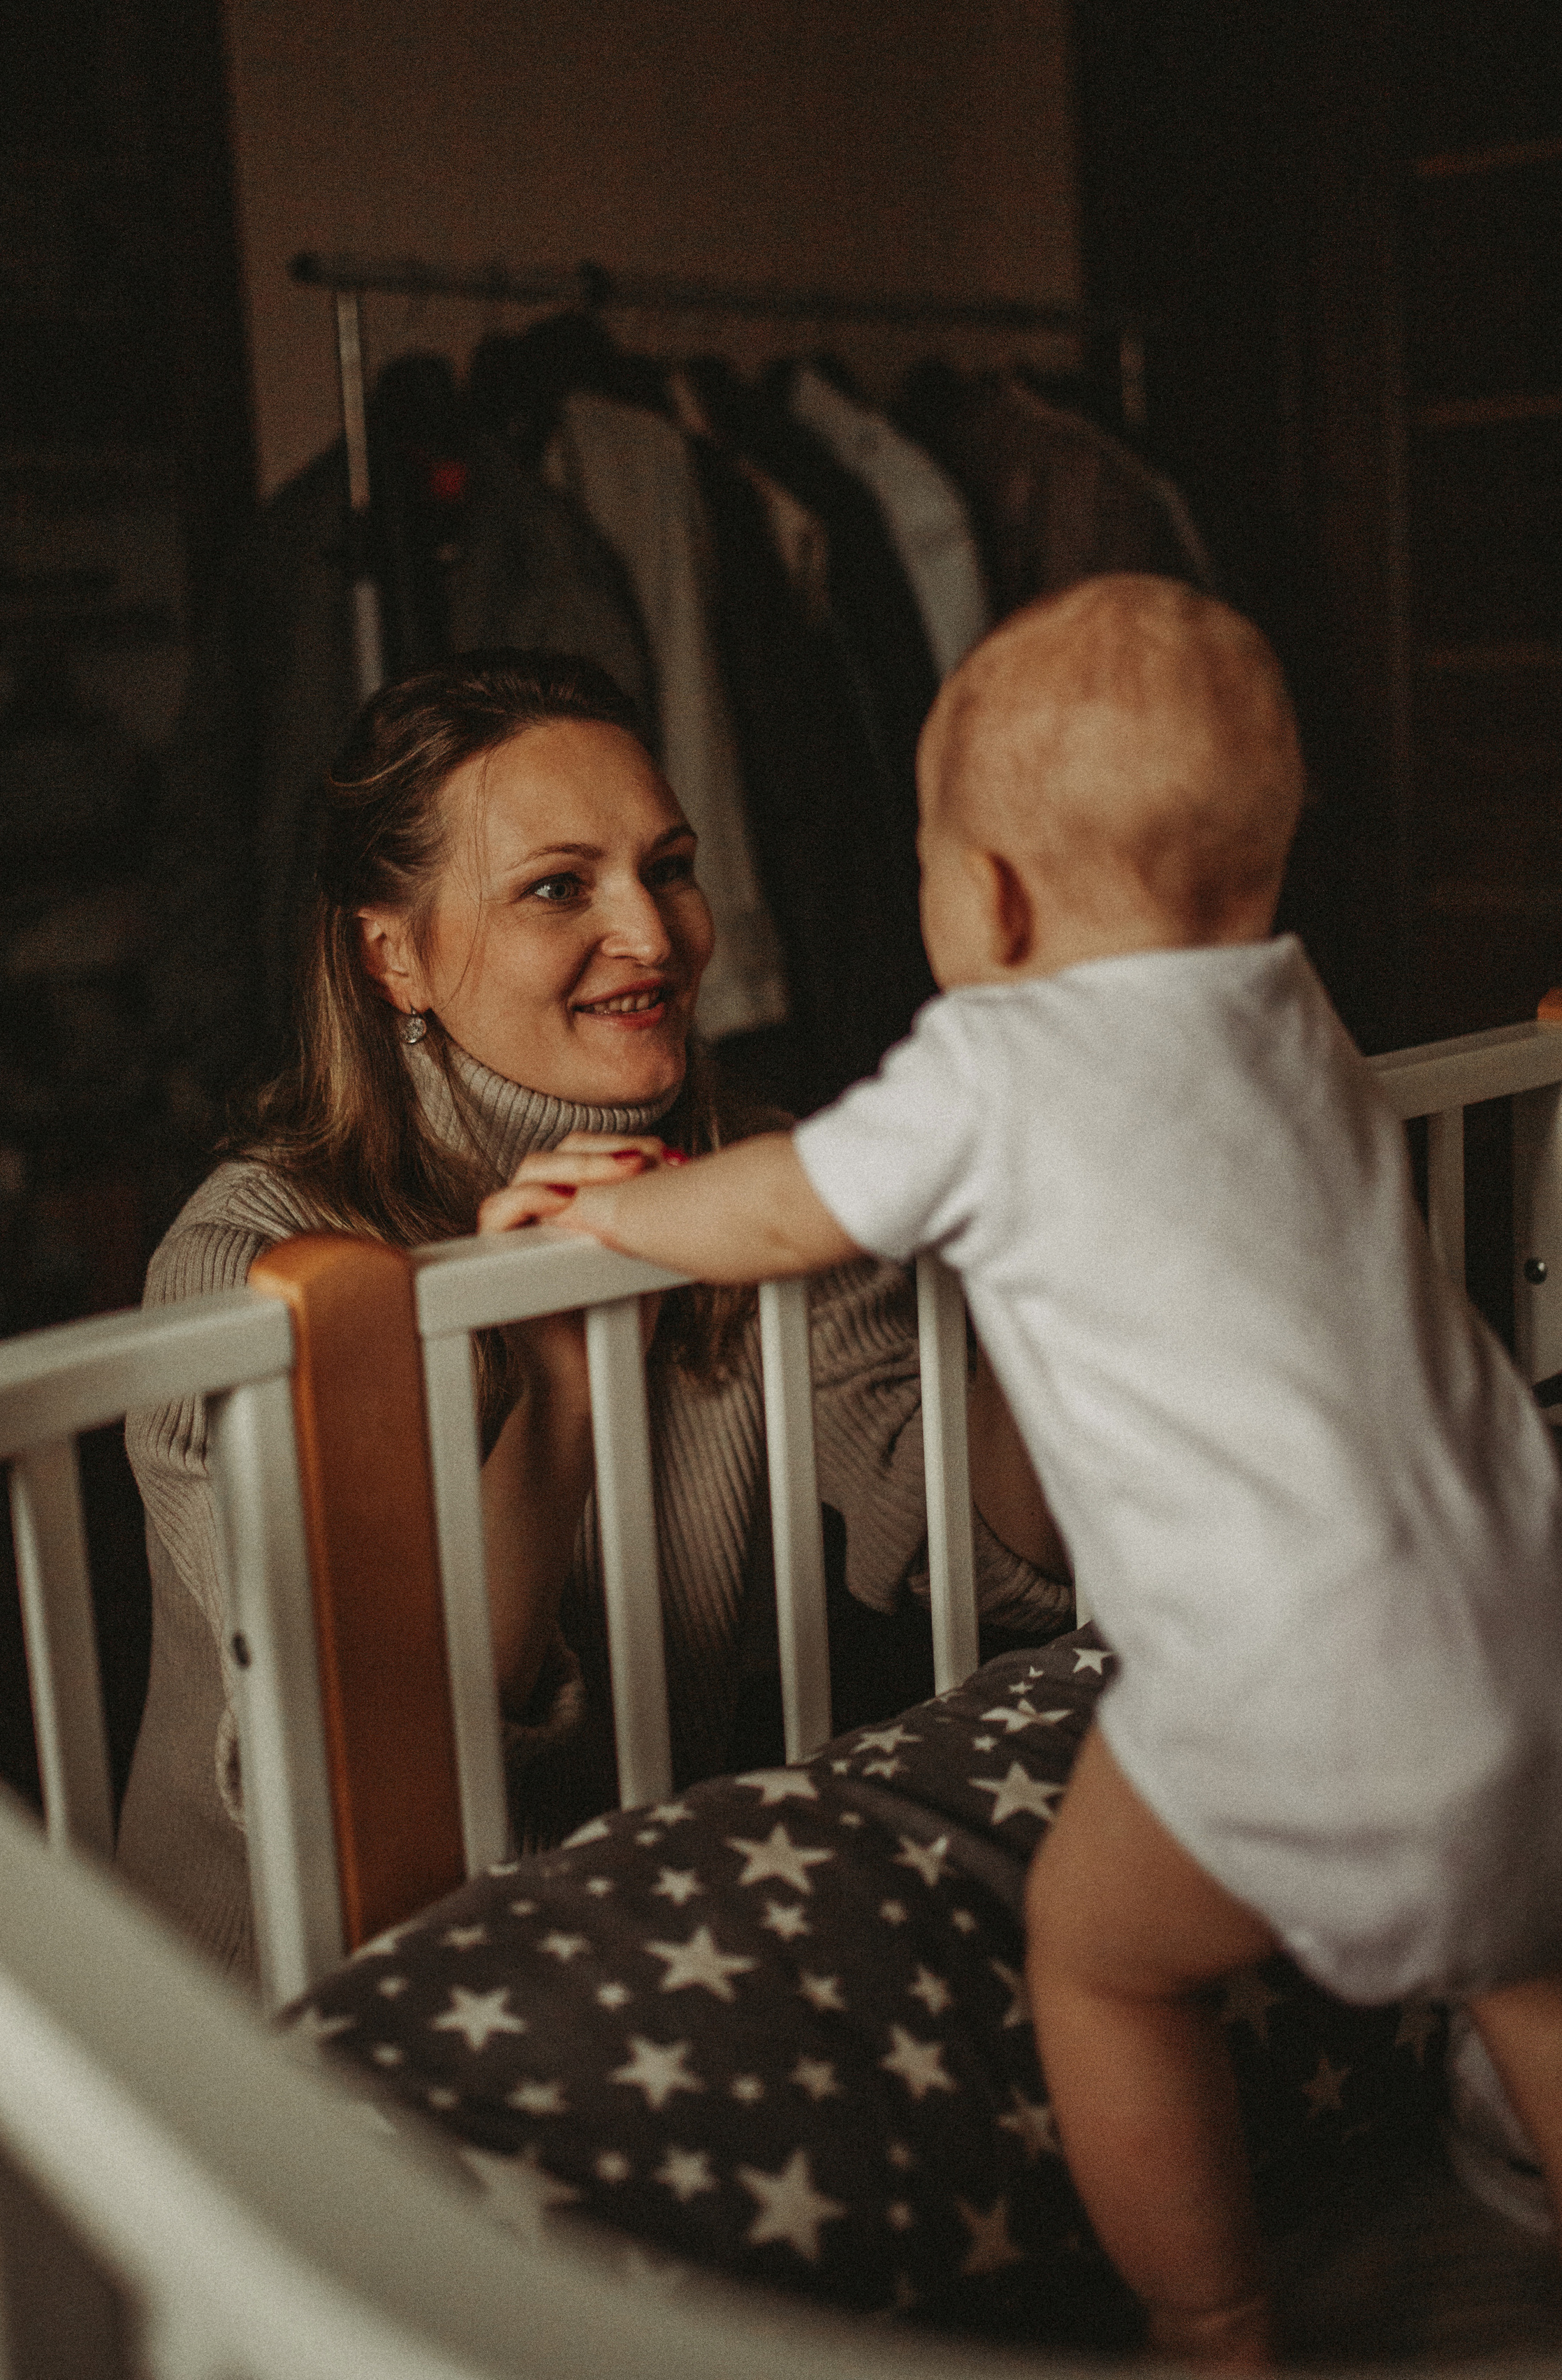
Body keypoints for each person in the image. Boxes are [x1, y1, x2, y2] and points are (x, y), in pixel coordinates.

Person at [555, 577, 1562, 2366]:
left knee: (1098, 1961)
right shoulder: (1286, 1020)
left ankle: (1214, 2321)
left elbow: (785, 1207)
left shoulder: (995, 1065)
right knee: (1525, 1962)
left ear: (989, 896)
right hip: (1513, 1629)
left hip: (1289, 1675)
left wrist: (624, 1207)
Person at [123, 650, 1071, 1984]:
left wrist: (1064, 1241)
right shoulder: (246, 1262)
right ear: (394, 954)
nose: (655, 934)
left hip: (621, 1936)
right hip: (288, 1994)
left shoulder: (763, 1173)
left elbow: (981, 1547)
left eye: (670, 866)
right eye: (559, 887)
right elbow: (378, 1777)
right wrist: (556, 1368)